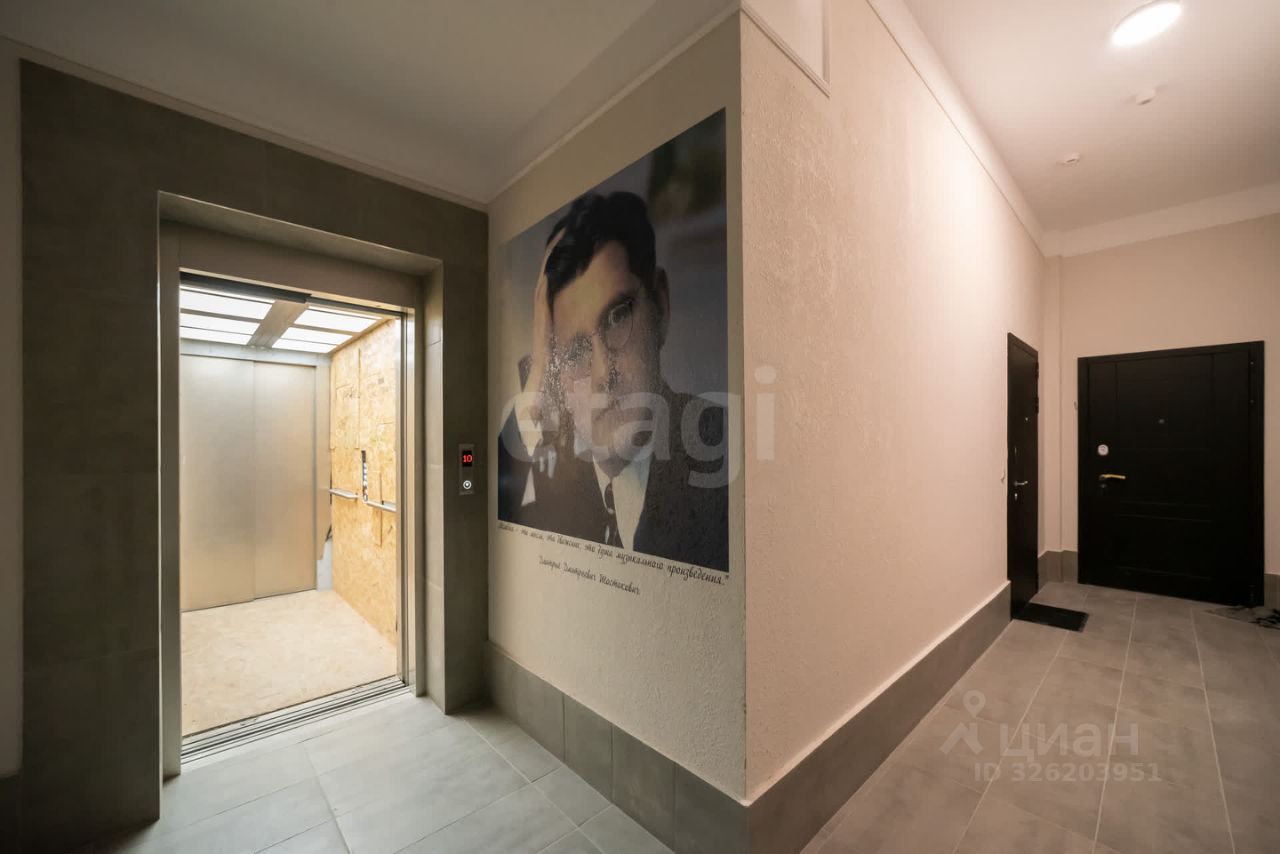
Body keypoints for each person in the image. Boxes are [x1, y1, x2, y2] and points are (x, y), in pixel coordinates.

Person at [497, 191, 729, 572]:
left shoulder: (722, 454)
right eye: (575, 352)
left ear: (661, 305)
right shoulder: (556, 480)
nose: (603, 374)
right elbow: (495, 520)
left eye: (618, 318)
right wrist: (538, 371)